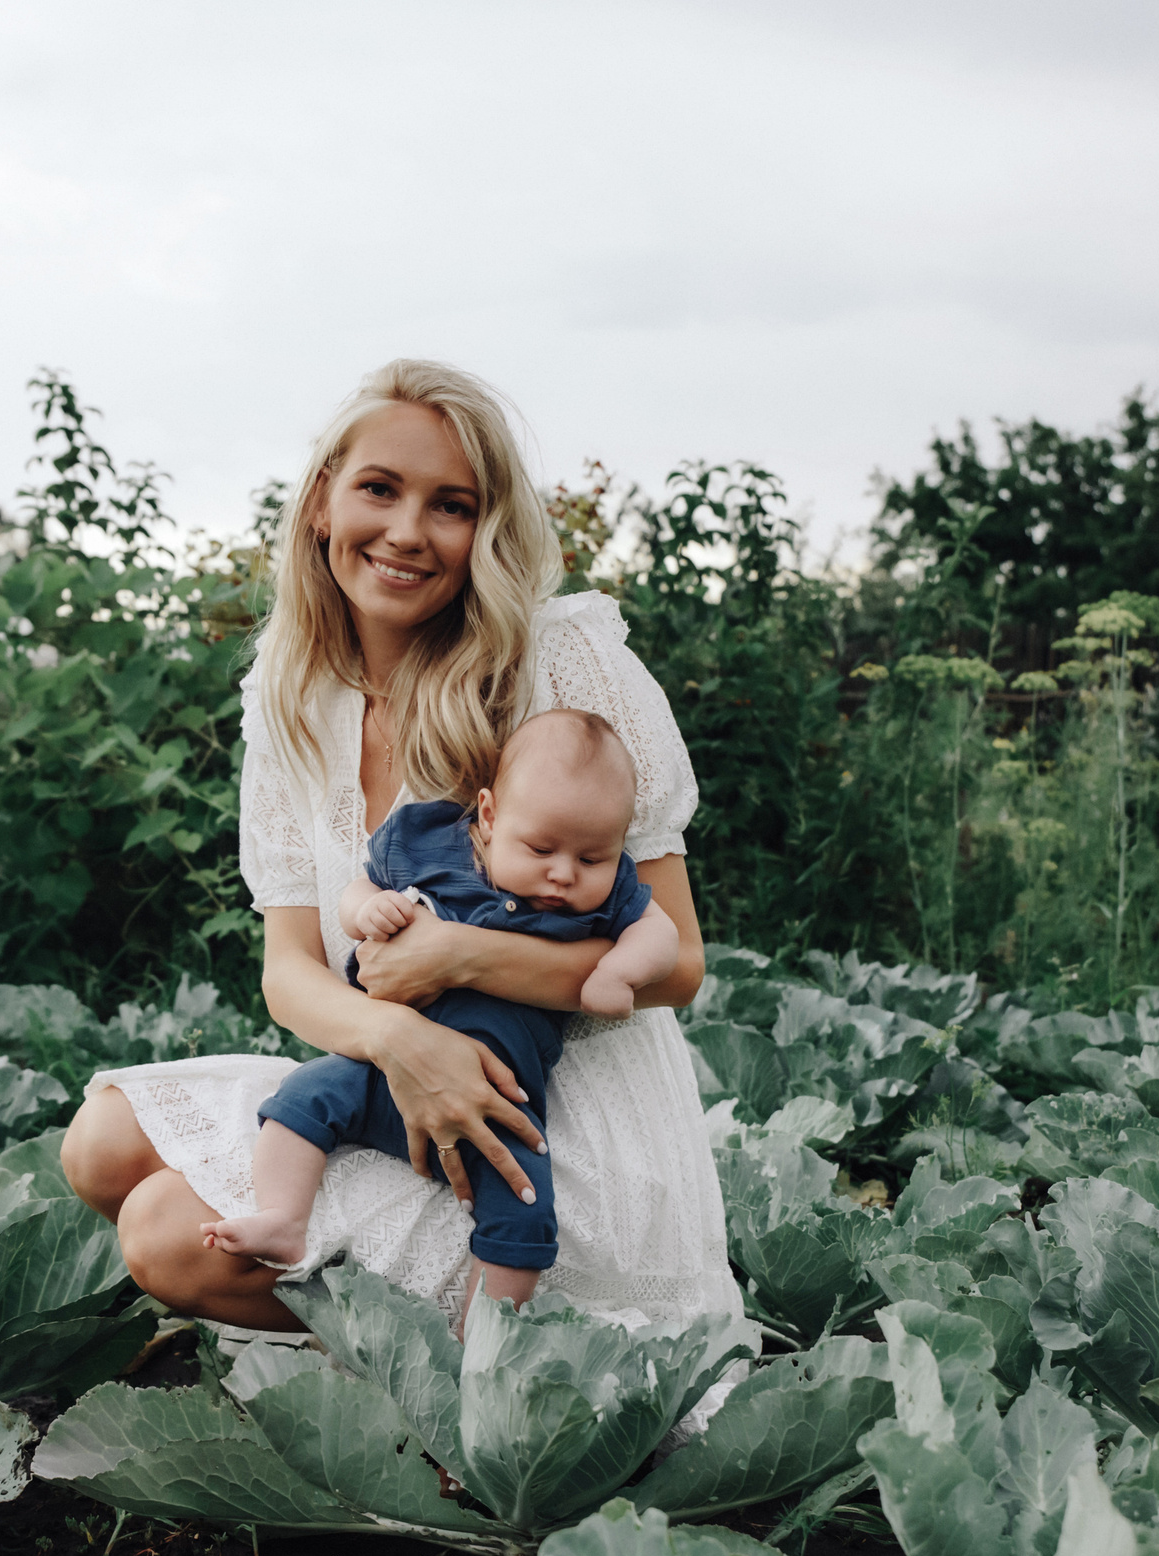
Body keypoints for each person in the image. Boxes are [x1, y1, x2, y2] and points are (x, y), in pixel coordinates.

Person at [58, 358, 742, 1339]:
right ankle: (386, 1355)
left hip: (550, 1126)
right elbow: (290, 971)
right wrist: (401, 1041)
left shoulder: (562, 663)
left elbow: (675, 963)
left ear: (486, 531)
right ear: (323, 504)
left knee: (165, 1234)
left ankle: (477, 1362)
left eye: (451, 505)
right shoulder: (291, 695)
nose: (408, 532)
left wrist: (460, 955)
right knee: (101, 1143)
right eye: (379, 488)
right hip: (399, 1082)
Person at [197, 708, 681, 1315]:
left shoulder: (610, 895)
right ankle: (283, 1216)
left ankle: (484, 1328)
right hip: (383, 1070)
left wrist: (618, 970)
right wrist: (364, 911)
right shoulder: (431, 843)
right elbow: (361, 886)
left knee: (526, 1203)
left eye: (592, 859)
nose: (562, 874)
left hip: (496, 1106)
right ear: (488, 814)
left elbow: (665, 937)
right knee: (302, 1099)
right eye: (540, 848)